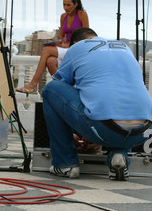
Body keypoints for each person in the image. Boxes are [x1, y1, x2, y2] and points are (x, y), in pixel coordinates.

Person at [42, 27, 152, 181]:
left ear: (75, 43)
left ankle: (65, 164)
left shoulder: (77, 48)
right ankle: (119, 156)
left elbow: (62, 86)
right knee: (123, 109)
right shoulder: (123, 47)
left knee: (50, 90)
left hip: (104, 127)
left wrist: (79, 128)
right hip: (144, 132)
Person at [16, 0, 89, 93]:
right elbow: (63, 37)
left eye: (68, 5)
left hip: (76, 49)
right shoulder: (63, 16)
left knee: (46, 50)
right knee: (50, 61)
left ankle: (33, 84)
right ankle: (64, 87)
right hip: (66, 49)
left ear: (75, 4)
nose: (65, 7)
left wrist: (70, 44)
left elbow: (86, 37)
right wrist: (58, 43)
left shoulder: (82, 14)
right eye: (64, 4)